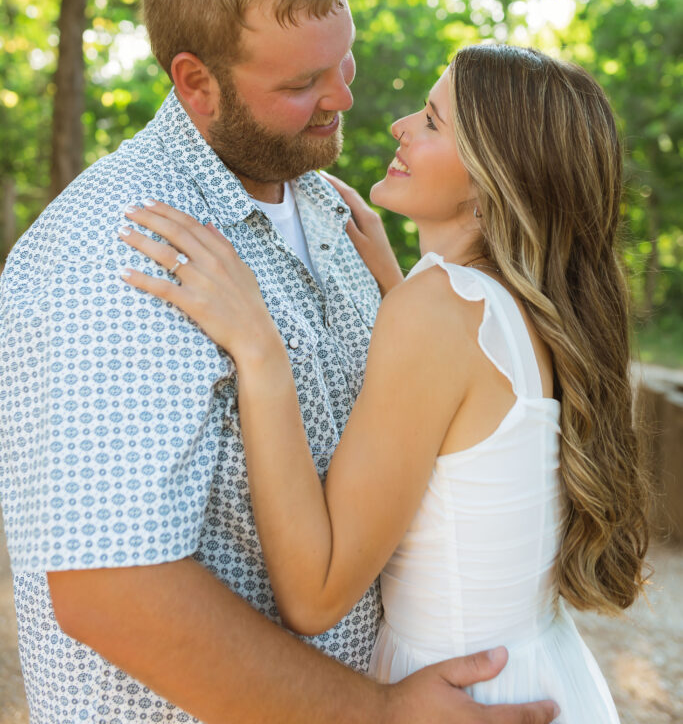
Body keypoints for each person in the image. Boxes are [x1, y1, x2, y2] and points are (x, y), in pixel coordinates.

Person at [0, 0, 559, 724]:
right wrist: (374, 713)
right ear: (197, 83)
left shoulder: (330, 206)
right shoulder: (118, 249)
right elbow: (114, 593)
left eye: (345, 63)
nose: (341, 100)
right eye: (300, 84)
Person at [118, 43, 650, 721]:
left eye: (430, 120)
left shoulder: (437, 312)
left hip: (459, 694)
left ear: (493, 179)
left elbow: (314, 595)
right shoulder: (527, 304)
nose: (401, 124)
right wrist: (400, 283)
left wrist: (259, 347)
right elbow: (469, 422)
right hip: (539, 672)